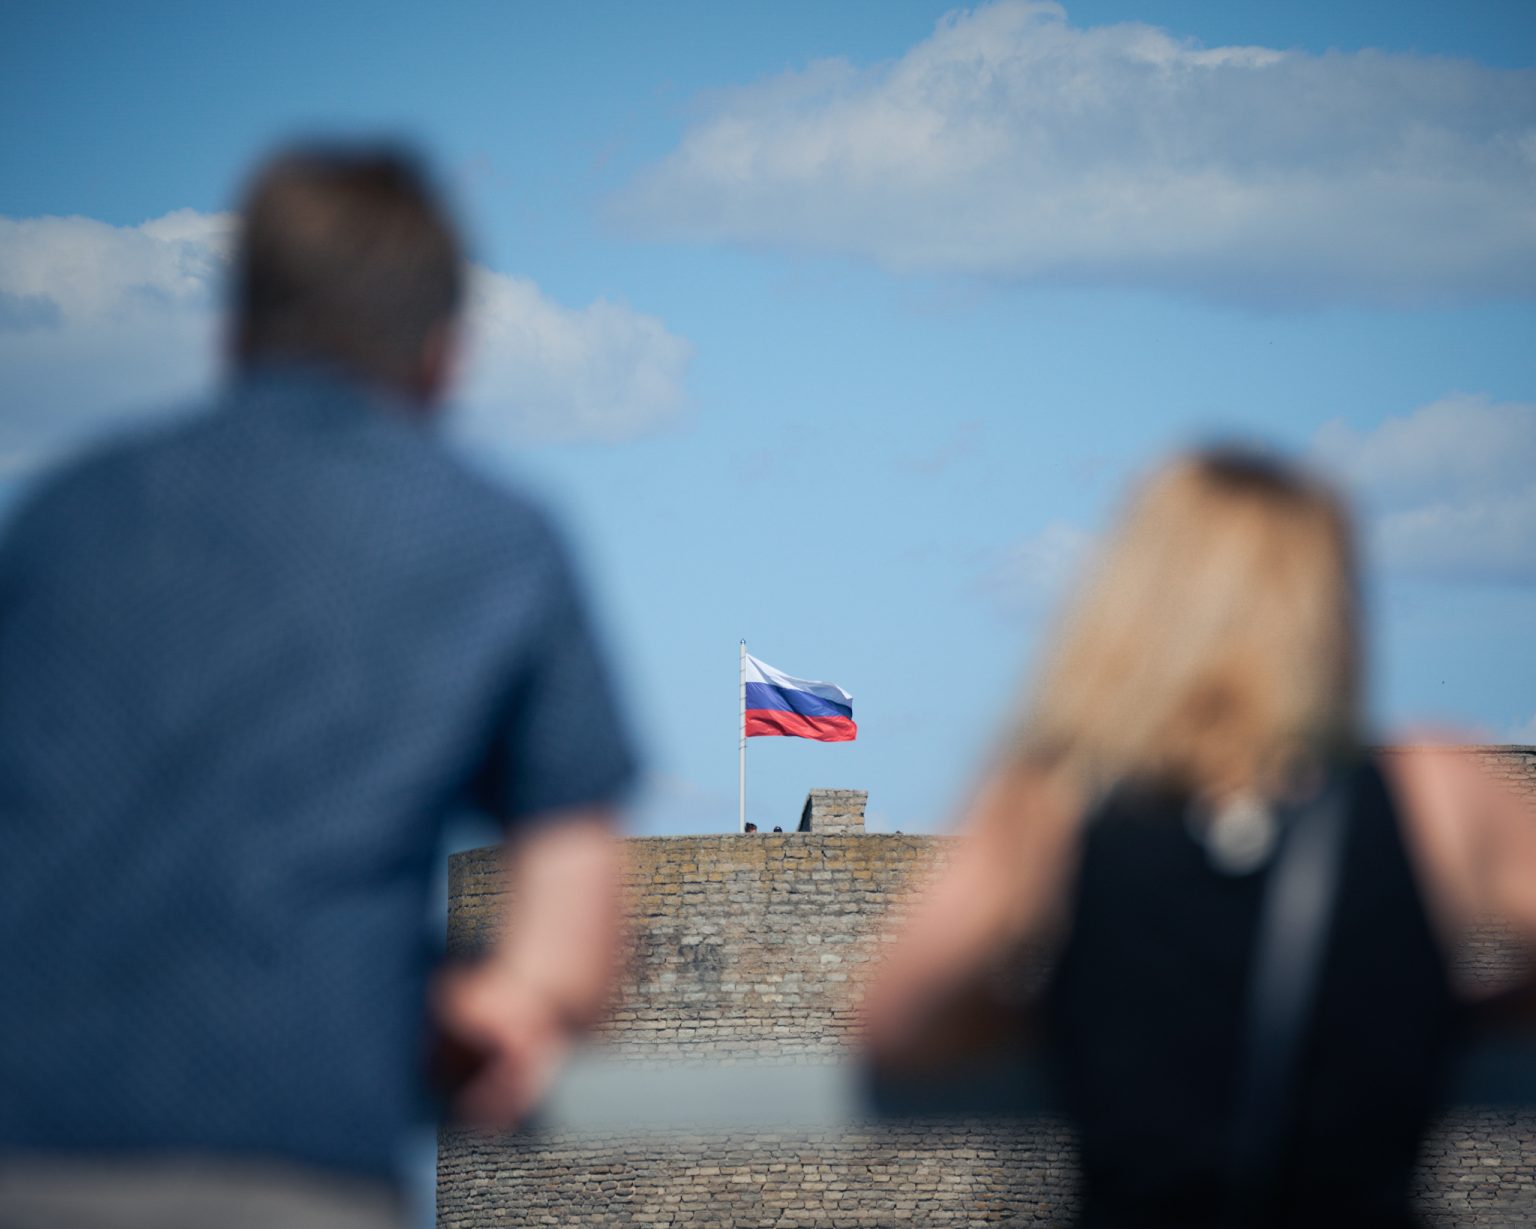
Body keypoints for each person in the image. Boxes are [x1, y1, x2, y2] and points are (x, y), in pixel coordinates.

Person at [0, 146, 635, 1227]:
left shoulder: (61, 513)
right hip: (296, 1157)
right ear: (446, 352)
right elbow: (574, 927)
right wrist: (509, 995)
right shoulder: (497, 541)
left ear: (235, 330)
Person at [864, 450, 1536, 1228]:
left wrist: (1065, 1018)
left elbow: (897, 1028)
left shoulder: (1052, 796)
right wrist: (1446, 1013)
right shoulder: (1437, 791)